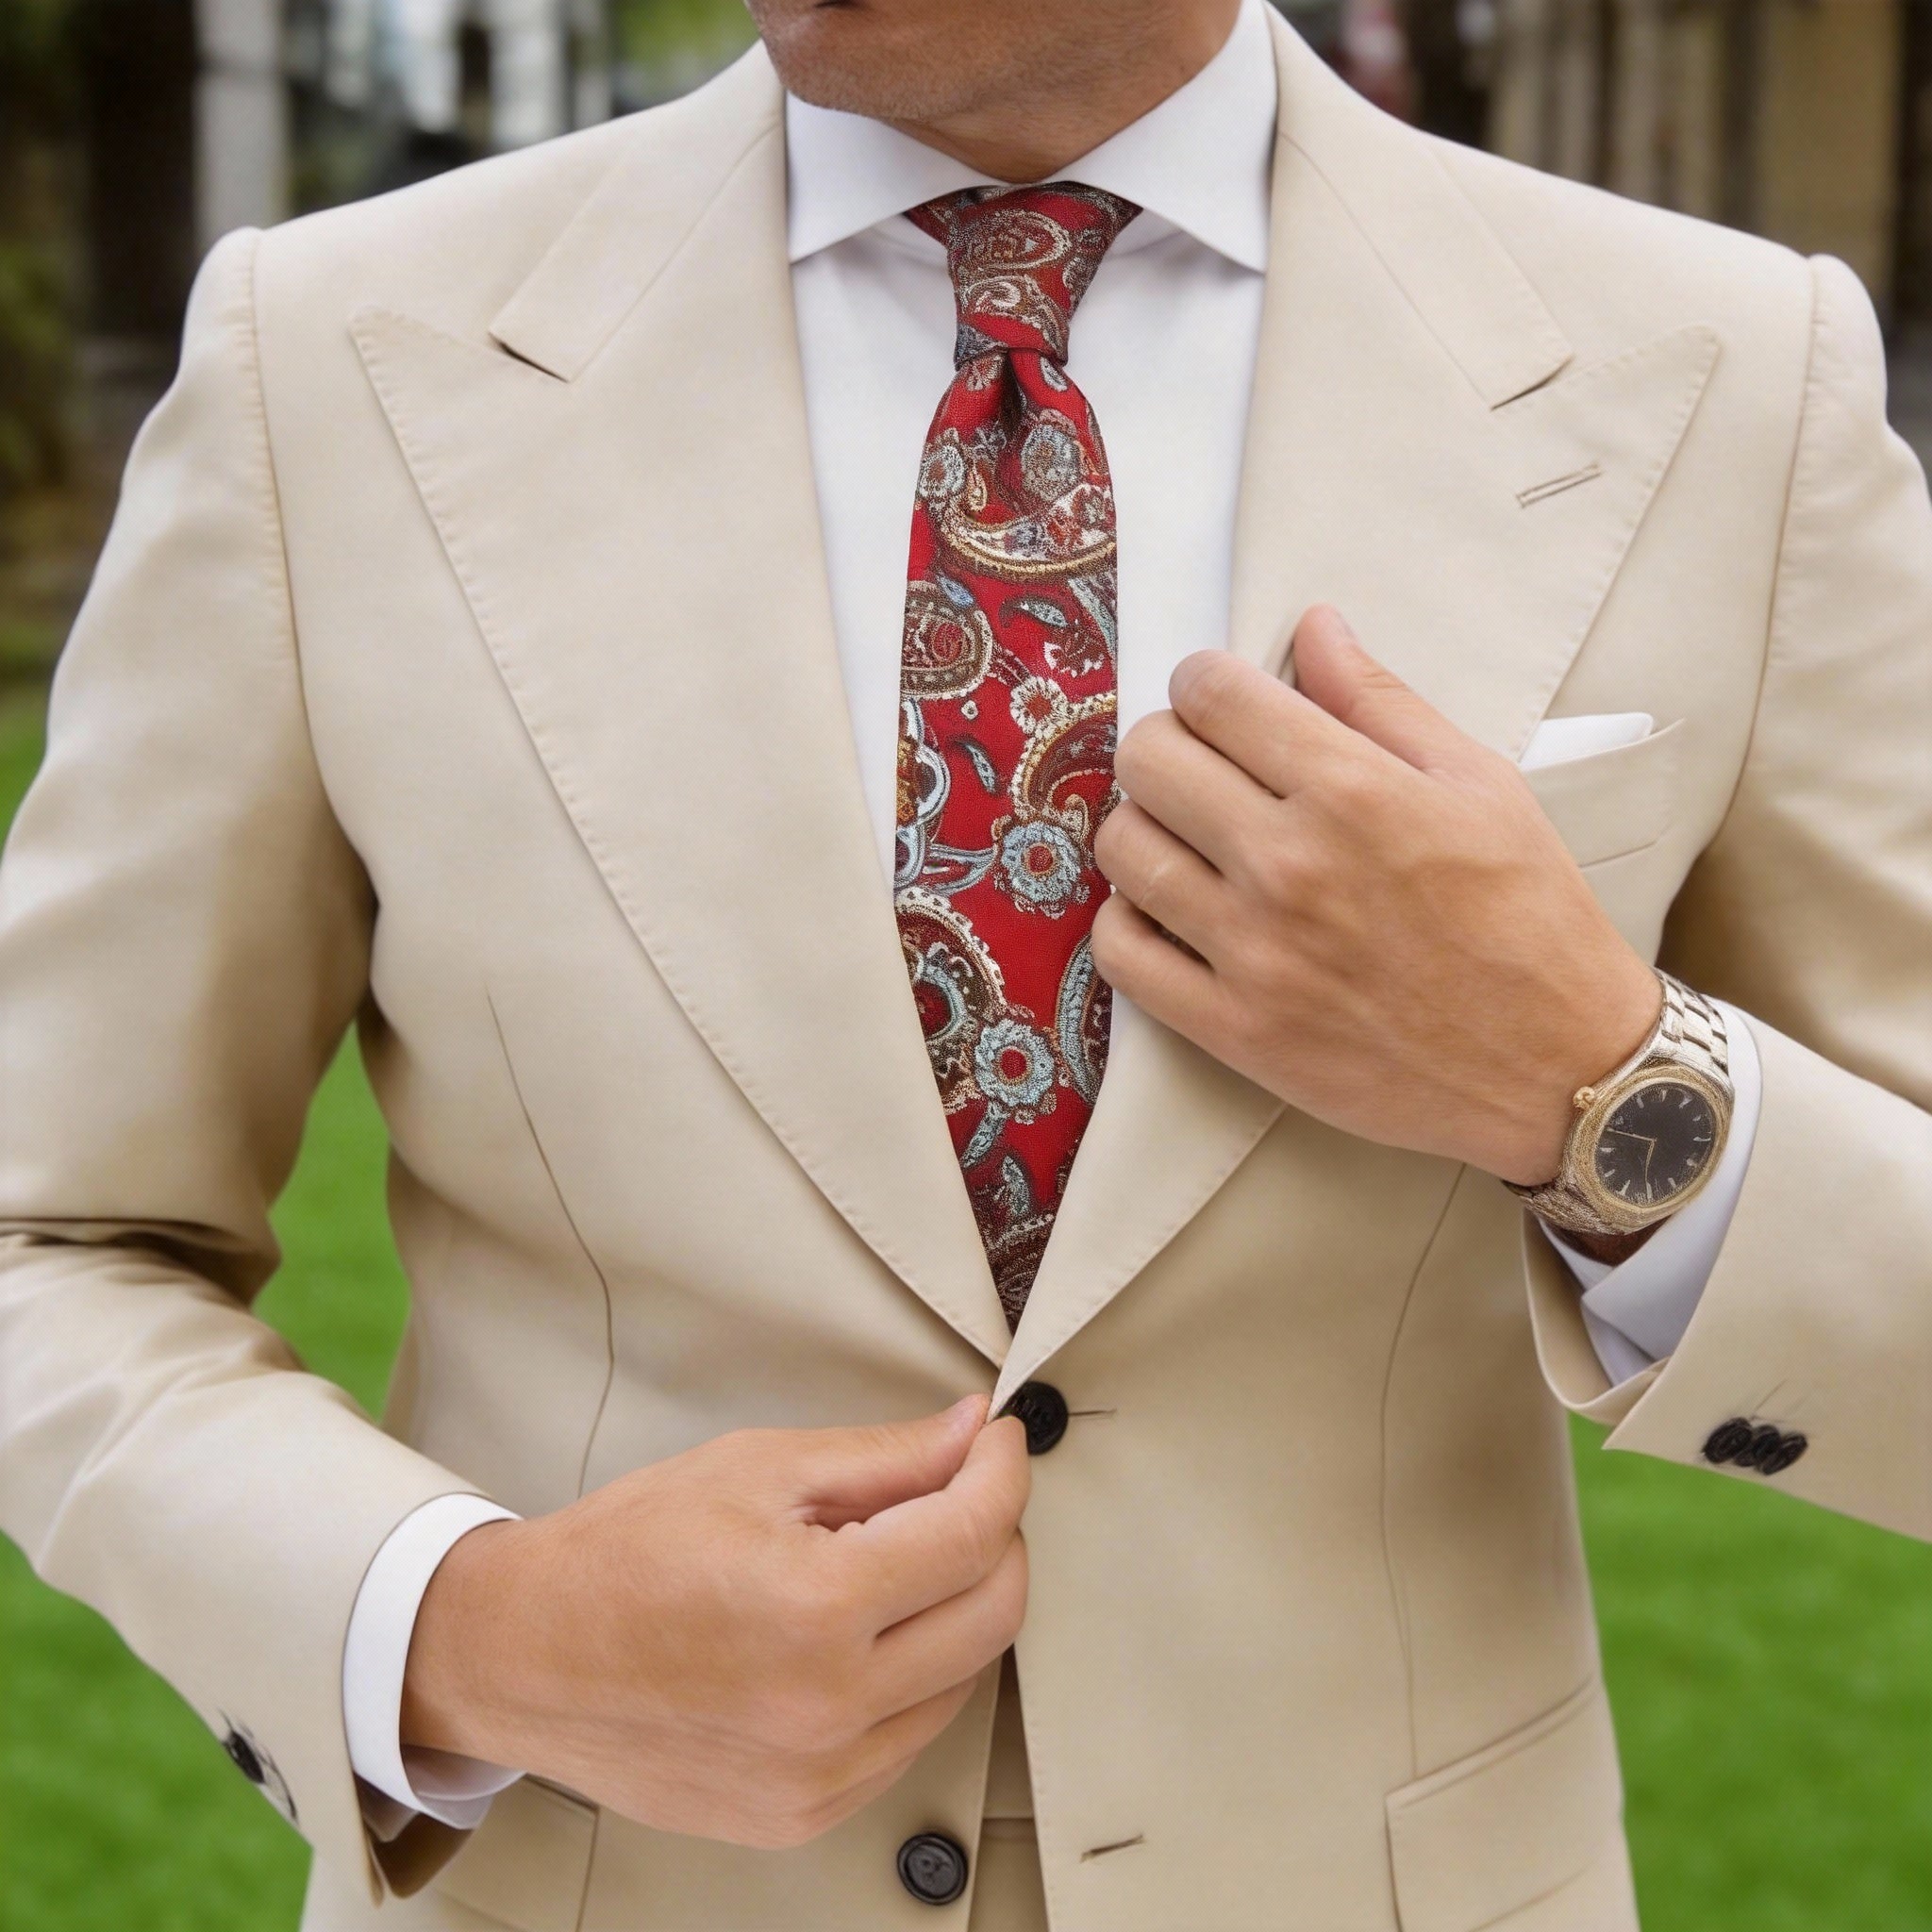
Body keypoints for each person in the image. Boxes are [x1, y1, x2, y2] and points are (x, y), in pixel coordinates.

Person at [1, 0, 1925, 1926]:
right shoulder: (326, 365)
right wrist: (461, 1628)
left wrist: (1594, 1080)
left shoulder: (1727, 383)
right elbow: (51, 1237)